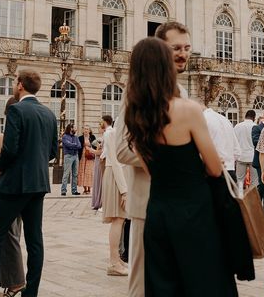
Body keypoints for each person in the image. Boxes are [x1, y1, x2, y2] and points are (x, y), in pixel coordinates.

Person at [124, 37, 238, 296]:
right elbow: (214, 168)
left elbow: (153, 170)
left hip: (159, 211)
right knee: (204, 282)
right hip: (194, 211)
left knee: (164, 285)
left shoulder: (135, 116)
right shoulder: (188, 110)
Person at [115, 21, 191, 297]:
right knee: (142, 286)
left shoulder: (182, 92)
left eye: (187, 48)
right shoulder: (137, 91)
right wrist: (167, 159)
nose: (183, 54)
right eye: (175, 49)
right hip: (147, 205)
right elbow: (122, 149)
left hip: (180, 205)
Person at [0, 70, 57, 297]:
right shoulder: (49, 114)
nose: (14, 86)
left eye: (15, 82)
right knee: (35, 241)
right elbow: (52, 152)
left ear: (20, 85)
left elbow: (9, 148)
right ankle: (30, 293)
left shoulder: (16, 110)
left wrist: (1, 166)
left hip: (15, 185)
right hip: (39, 184)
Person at [0, 97, 25, 297]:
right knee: (15, 232)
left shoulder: (2, 137)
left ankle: (16, 282)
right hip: (28, 190)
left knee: (6, 234)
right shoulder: (29, 136)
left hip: (7, 189)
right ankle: (4, 277)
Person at [100, 115, 129, 276]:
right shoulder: (112, 134)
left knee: (120, 219)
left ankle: (116, 259)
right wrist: (124, 190)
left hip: (118, 176)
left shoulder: (117, 134)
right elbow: (116, 162)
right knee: (118, 219)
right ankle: (113, 262)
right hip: (116, 177)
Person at [201, 104, 240, 182]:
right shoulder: (225, 120)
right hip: (231, 172)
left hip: (213, 173)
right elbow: (237, 152)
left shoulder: (202, 120)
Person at [234, 110, 257, 194]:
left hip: (241, 156)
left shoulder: (237, 126)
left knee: (239, 180)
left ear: (245, 116)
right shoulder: (255, 126)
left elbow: (234, 141)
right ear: (254, 117)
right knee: (254, 181)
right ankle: (252, 200)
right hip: (253, 157)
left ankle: (239, 198)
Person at [252, 117, 264, 212]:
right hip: (259, 161)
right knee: (262, 185)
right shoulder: (257, 128)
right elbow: (255, 141)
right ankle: (256, 206)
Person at [61, 123, 81, 196]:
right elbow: (68, 145)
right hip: (68, 156)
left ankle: (74, 190)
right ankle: (63, 190)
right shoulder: (65, 137)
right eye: (75, 128)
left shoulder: (76, 137)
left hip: (75, 156)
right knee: (66, 174)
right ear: (71, 128)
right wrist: (74, 145)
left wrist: (73, 145)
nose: (76, 129)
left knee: (75, 174)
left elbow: (79, 146)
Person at [77, 126, 96, 194]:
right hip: (82, 157)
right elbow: (78, 147)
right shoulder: (80, 138)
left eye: (87, 129)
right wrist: (83, 145)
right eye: (85, 129)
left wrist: (90, 145)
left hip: (90, 156)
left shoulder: (93, 137)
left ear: (89, 130)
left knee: (89, 171)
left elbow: (96, 146)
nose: (86, 130)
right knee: (83, 171)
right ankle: (85, 189)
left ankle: (89, 188)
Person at [91, 131, 104, 211]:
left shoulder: (105, 137)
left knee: (99, 180)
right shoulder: (99, 137)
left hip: (101, 160)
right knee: (96, 180)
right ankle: (96, 201)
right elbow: (95, 144)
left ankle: (100, 202)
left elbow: (101, 151)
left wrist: (91, 150)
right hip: (97, 160)